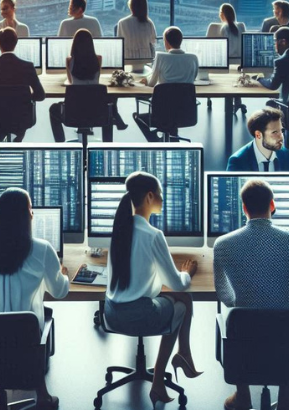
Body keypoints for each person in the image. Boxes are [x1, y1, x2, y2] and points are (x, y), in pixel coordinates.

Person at [213, 180, 289, 410]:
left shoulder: (222, 245)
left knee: (236, 320)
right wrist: (284, 291)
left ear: (243, 208)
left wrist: (245, 298)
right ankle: (286, 397)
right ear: (272, 204)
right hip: (286, 335)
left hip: (244, 334)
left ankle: (242, 395)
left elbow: (225, 295)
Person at [105, 172, 201, 405]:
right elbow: (178, 283)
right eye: (160, 194)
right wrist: (187, 273)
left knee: (178, 298)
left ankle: (183, 355)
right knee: (183, 301)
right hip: (139, 316)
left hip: (111, 314)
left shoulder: (119, 230)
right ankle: (162, 376)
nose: (162, 199)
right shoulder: (153, 235)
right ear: (149, 197)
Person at [0, 188, 70, 410]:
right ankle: (42, 395)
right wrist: (63, 275)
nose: (32, 213)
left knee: (17, 327)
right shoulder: (42, 249)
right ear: (25, 215)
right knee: (38, 320)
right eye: (30, 208)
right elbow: (59, 291)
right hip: (25, 339)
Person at [133, 27, 199, 142]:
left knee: (137, 116)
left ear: (166, 42)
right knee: (173, 114)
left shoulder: (161, 56)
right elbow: (192, 79)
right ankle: (172, 137)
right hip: (185, 112)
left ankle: (154, 140)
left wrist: (145, 80)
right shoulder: (193, 58)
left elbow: (152, 83)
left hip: (161, 114)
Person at [48, 29, 113, 143]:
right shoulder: (98, 59)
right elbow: (97, 79)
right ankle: (107, 144)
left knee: (53, 109)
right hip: (95, 111)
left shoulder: (69, 61)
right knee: (108, 109)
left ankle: (60, 144)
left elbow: (70, 81)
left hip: (74, 112)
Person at [226, 107, 289, 172]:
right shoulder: (237, 161)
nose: (281, 137)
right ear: (258, 135)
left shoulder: (285, 154)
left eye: (281, 131)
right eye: (275, 132)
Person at [115, 0, 158, 66]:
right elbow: (153, 41)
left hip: (128, 59)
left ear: (131, 6)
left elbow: (120, 43)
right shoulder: (149, 23)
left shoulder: (122, 23)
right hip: (146, 59)